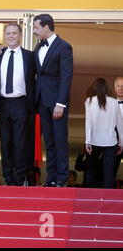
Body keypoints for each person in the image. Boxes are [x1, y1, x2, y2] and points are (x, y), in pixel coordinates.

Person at [33, 14, 73, 187]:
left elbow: (66, 76)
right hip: (42, 100)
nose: (34, 31)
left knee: (60, 140)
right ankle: (51, 177)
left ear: (46, 27)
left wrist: (61, 103)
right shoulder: (38, 48)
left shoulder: (64, 47)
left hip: (57, 103)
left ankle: (62, 178)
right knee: (48, 141)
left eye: (36, 27)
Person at [0, 23, 36, 186]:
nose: (11, 36)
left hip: (21, 103)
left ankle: (19, 178)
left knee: (20, 143)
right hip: (2, 104)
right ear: (5, 36)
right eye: (8, 33)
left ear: (20, 35)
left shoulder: (30, 56)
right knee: (5, 143)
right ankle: (8, 179)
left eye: (14, 33)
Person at [85, 77, 123, 188]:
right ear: (107, 88)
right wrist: (121, 143)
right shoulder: (114, 102)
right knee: (109, 173)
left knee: (91, 171)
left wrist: (88, 141)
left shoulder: (89, 101)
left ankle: (88, 199)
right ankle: (107, 200)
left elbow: (88, 122)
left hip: (94, 141)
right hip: (110, 142)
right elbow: (119, 125)